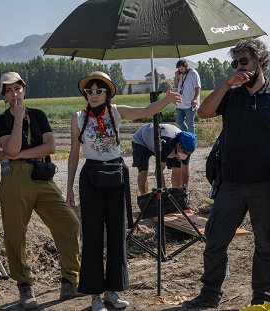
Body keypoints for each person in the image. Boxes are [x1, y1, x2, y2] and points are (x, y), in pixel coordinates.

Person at [182, 39, 270, 309]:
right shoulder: (231, 96)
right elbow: (203, 112)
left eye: (244, 61)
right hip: (230, 185)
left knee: (265, 245)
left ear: (260, 62)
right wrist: (225, 84)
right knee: (214, 241)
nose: (239, 67)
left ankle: (261, 299)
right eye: (234, 63)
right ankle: (210, 294)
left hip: (265, 187)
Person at [66, 71, 181, 311]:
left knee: (118, 233)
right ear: (85, 94)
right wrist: (69, 188)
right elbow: (74, 155)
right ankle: (95, 295)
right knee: (93, 235)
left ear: (107, 93)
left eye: (99, 90)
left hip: (116, 175)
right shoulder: (78, 117)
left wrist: (167, 100)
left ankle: (113, 291)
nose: (94, 95)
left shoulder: (116, 112)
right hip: (91, 177)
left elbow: (146, 111)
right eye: (90, 91)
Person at [0, 72, 81, 310]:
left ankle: (70, 279)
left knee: (69, 222)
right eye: (9, 90)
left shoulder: (39, 115)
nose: (15, 94)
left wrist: (18, 154)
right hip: (14, 177)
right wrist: (18, 119)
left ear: (24, 89)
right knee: (15, 233)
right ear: (3, 95)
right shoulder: (0, 121)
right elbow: (11, 149)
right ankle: (24, 286)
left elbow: (51, 145)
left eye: (18, 89)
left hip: (41, 174)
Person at [132, 123, 196, 194]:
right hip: (142, 140)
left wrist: (185, 192)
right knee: (143, 171)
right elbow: (158, 171)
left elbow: (184, 171)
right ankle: (144, 198)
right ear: (179, 144)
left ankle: (177, 196)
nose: (185, 155)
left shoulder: (187, 147)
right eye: (184, 153)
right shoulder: (167, 144)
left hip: (161, 140)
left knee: (177, 168)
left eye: (188, 154)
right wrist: (164, 192)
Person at [173, 59, 201, 134]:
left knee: (190, 124)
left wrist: (195, 99)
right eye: (179, 69)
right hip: (180, 103)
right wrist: (176, 77)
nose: (181, 71)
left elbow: (198, 88)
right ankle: (187, 137)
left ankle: (192, 142)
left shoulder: (193, 73)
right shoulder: (181, 74)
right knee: (179, 121)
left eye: (182, 69)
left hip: (190, 104)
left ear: (186, 67)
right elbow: (176, 86)